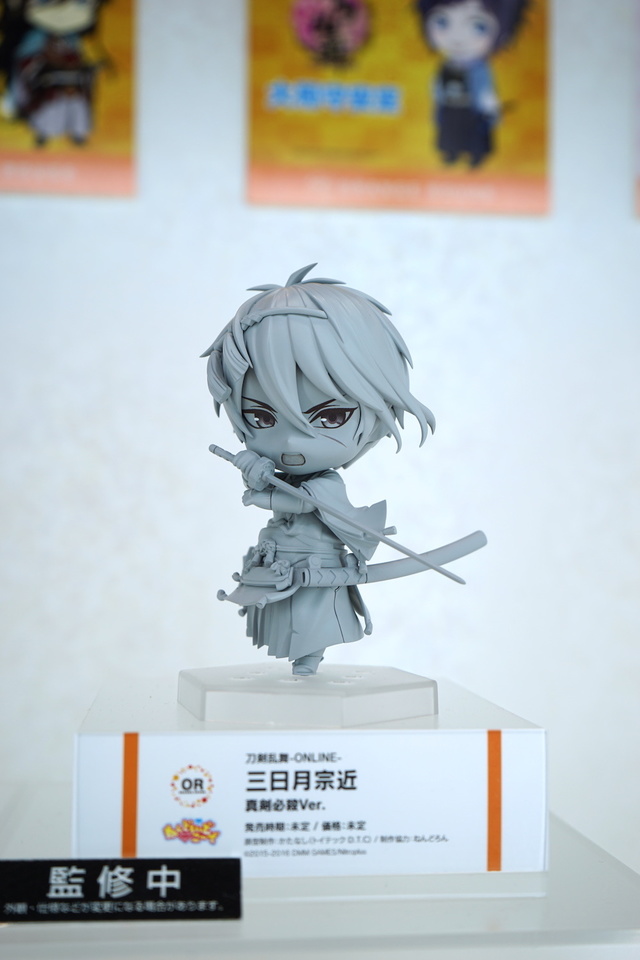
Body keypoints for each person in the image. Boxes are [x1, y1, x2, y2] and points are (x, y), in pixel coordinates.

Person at [202, 264, 434, 675]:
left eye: (330, 417)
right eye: (261, 418)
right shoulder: (288, 478)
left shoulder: (326, 485)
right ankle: (299, 670)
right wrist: (254, 471)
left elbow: (302, 503)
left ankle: (308, 665)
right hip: (280, 561)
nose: (292, 443)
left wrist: (262, 496)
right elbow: (283, 492)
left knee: (313, 621)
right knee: (282, 620)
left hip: (315, 564)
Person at [415, 0, 530, 167]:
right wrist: (437, 101)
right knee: (450, 132)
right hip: (450, 109)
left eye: (478, 26)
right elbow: (437, 86)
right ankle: (451, 153)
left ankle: (476, 156)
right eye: (442, 22)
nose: (457, 38)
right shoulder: (446, 66)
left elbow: (485, 91)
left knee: (475, 135)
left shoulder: (480, 69)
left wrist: (490, 107)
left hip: (473, 110)